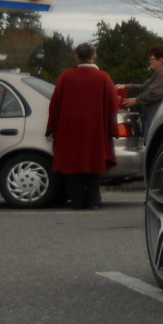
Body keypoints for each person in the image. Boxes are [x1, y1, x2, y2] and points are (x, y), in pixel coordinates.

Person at [46, 43, 120, 210]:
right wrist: (111, 129)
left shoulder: (66, 76)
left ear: (77, 57)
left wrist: (51, 128)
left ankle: (77, 200)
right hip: (95, 129)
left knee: (71, 166)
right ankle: (94, 200)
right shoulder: (103, 77)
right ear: (93, 57)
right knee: (94, 164)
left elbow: (55, 104)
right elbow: (112, 105)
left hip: (69, 129)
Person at [117, 44, 163, 132]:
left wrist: (135, 100)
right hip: (157, 118)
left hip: (160, 120)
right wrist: (125, 86)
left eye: (152, 59)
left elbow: (154, 94)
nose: (150, 62)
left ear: (160, 60)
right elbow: (144, 87)